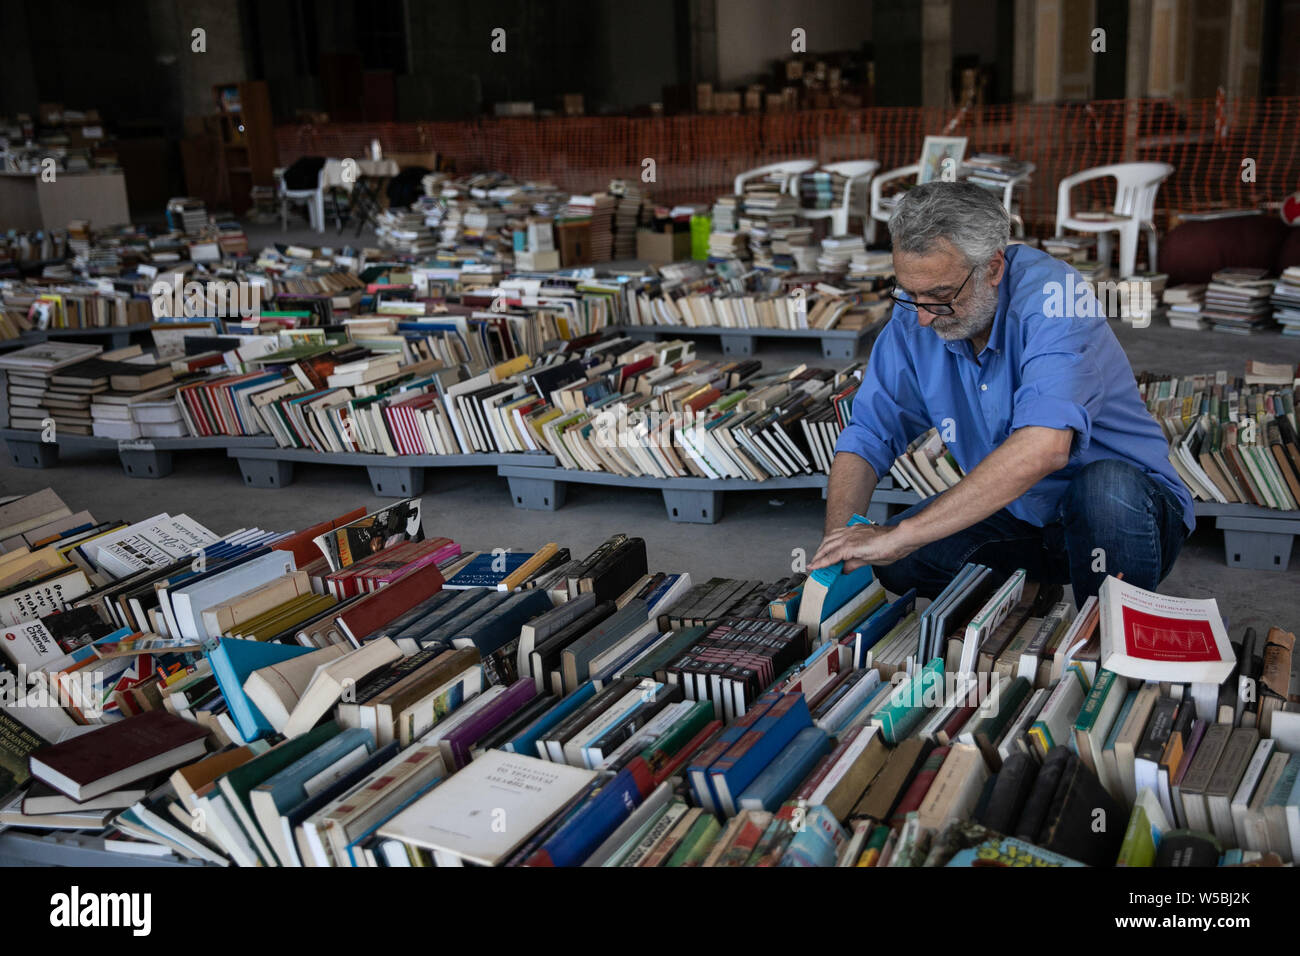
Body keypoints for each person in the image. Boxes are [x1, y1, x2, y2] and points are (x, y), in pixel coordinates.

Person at [809, 181, 1193, 605]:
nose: (920, 317)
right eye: (910, 294)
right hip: (1021, 515)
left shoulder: (1057, 299)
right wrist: (837, 549)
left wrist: (902, 536)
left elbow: (1045, 448)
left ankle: (1112, 637)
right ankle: (1030, 595)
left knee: (1105, 486)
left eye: (939, 296)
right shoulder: (918, 313)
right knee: (895, 560)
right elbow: (868, 433)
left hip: (1125, 516)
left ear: (993, 268)